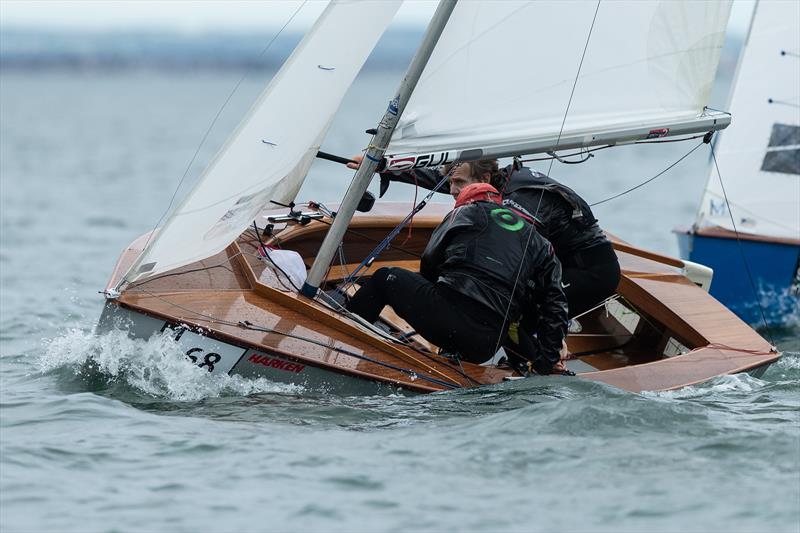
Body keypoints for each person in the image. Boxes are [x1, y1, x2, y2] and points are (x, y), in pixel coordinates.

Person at [347, 156, 621, 320]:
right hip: (564, 258)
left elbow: (529, 260)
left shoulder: (521, 201)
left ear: (486, 177)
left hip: (591, 273)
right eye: (455, 183)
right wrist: (383, 167)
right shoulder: (492, 183)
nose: (455, 191)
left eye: (460, 184)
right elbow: (448, 180)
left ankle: (538, 361)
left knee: (518, 308)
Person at [346, 182, 567, 371]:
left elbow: (430, 262)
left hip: (448, 321)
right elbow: (556, 304)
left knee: (385, 277)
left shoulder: (465, 212)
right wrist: (546, 360)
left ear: (467, 202)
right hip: (486, 345)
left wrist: (432, 295)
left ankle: (345, 340)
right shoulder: (543, 245)